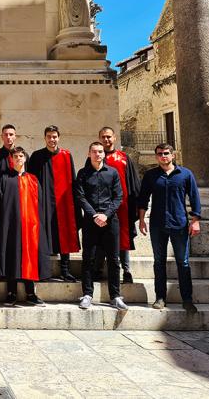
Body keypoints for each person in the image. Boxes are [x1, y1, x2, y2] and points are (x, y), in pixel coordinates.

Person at [137, 143, 201, 314]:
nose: (163, 156)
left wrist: (195, 220)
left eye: (166, 153)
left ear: (172, 155)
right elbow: (142, 199)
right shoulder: (151, 176)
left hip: (179, 224)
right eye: (159, 154)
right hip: (158, 225)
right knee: (159, 262)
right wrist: (142, 220)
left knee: (183, 262)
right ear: (156, 156)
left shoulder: (185, 174)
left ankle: (187, 299)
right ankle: (160, 298)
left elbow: (194, 197)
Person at [74, 142, 126, 311]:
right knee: (88, 259)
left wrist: (106, 214)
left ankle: (115, 296)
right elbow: (80, 197)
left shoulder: (113, 173)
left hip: (110, 221)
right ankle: (87, 294)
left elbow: (118, 196)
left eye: (100, 152)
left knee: (113, 260)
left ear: (104, 154)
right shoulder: (83, 173)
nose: (98, 154)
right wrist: (94, 215)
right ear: (89, 154)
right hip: (90, 221)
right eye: (94, 152)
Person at [0, 147, 51, 306]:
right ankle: (11, 292)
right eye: (15, 156)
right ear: (11, 160)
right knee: (11, 257)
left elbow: (40, 204)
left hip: (31, 228)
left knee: (30, 258)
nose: (18, 158)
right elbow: (0, 204)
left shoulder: (33, 179)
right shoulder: (4, 179)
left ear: (25, 158)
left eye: (21, 156)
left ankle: (30, 293)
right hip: (11, 226)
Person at [28, 125, 82, 281]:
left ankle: (65, 270)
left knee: (65, 234)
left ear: (59, 138)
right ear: (45, 138)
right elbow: (31, 181)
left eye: (54, 137)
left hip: (62, 203)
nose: (52, 140)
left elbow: (72, 179)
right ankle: (43, 271)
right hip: (43, 203)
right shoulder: (37, 156)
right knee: (43, 236)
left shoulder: (66, 155)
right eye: (49, 137)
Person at [93, 127, 140, 284]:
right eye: (103, 137)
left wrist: (137, 206)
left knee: (123, 238)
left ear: (114, 138)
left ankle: (126, 271)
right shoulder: (97, 157)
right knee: (100, 238)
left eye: (109, 137)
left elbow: (133, 184)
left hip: (122, 206)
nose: (106, 140)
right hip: (102, 206)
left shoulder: (124, 158)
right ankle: (98, 269)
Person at [0, 123, 18, 277]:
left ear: (15, 136)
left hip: (17, 205)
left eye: (11, 134)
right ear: (2, 137)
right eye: (6, 134)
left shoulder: (21, 155)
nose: (8, 137)